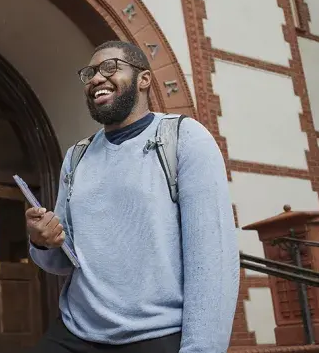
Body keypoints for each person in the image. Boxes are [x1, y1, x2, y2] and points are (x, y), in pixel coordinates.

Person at [25, 41, 240, 353]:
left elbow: (212, 260)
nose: (97, 78)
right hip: (76, 331)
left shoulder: (184, 138)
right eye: (90, 73)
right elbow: (65, 261)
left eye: (110, 67)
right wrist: (43, 241)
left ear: (144, 80)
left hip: (156, 334)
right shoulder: (76, 157)